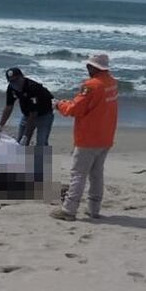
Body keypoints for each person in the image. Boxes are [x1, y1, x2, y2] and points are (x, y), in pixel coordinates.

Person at [50, 53, 118, 221]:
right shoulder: (112, 82)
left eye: (89, 66)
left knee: (78, 174)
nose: (87, 68)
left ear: (93, 67)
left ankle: (69, 210)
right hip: (105, 136)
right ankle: (94, 209)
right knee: (96, 174)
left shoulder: (91, 86)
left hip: (89, 137)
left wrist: (59, 105)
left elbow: (75, 109)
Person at [0, 67, 55, 146]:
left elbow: (33, 115)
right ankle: (24, 158)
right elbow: (9, 107)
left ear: (22, 77)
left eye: (17, 80)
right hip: (27, 115)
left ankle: (40, 158)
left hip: (44, 114)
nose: (15, 83)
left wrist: (26, 136)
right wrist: (0, 126)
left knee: (41, 142)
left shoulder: (32, 87)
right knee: (19, 141)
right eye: (12, 81)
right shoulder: (11, 88)